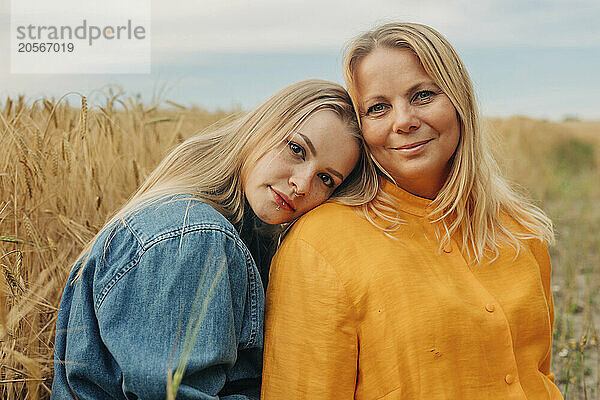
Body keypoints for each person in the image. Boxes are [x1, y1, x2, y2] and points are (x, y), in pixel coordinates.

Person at [262, 23, 563, 399]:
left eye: (422, 95)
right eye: (377, 108)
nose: (403, 121)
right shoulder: (320, 245)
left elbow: (540, 376)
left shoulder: (520, 230)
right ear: (362, 127)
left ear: (459, 100)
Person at [51, 79, 378, 399]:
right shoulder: (196, 239)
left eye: (326, 178)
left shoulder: (233, 234)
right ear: (261, 129)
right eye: (296, 149)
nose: (303, 183)